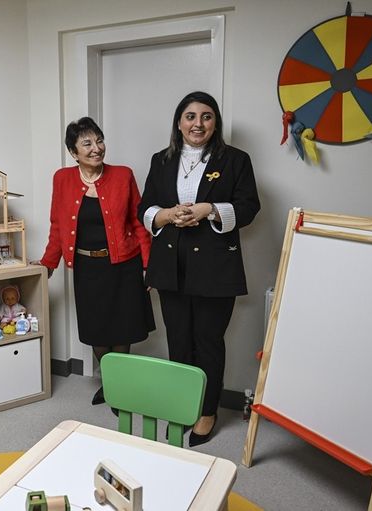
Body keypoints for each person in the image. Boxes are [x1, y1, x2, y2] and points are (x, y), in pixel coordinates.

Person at [137, 91, 260, 447]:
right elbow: (146, 208)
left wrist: (209, 210)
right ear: (179, 123)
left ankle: (207, 411)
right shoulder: (161, 160)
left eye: (206, 116)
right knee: (178, 340)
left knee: (208, 342)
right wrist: (167, 215)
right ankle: (183, 404)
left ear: (215, 123)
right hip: (170, 265)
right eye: (190, 116)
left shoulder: (236, 160)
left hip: (215, 266)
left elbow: (249, 207)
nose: (198, 123)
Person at [37, 116, 155, 410]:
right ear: (73, 152)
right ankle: (113, 380)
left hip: (124, 266)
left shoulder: (123, 175)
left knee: (123, 329)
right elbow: (58, 225)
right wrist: (47, 263)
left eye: (99, 140)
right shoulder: (62, 179)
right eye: (87, 143)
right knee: (97, 332)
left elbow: (138, 222)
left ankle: (119, 388)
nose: (96, 148)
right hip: (87, 268)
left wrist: (147, 264)